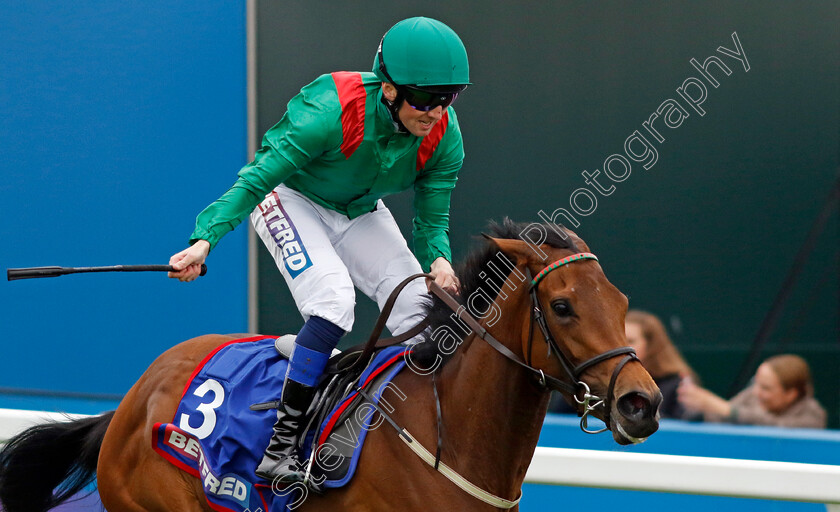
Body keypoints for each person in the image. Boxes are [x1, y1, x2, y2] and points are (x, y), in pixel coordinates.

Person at [167, 17, 470, 483]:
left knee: (422, 311)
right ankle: (281, 445)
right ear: (388, 89)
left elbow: (431, 220)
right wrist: (204, 239)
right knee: (333, 302)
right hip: (290, 198)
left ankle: (393, 427)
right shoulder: (330, 107)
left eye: (449, 97)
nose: (436, 112)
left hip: (361, 211)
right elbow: (259, 177)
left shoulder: (443, 137)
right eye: (426, 98)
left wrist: (440, 261)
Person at [678, 354, 827, 429]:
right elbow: (720, 418)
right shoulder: (751, 395)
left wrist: (729, 410)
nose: (756, 392)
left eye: (766, 388)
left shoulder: (813, 415)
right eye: (756, 384)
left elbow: (776, 427)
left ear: (791, 394)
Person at [624, 310, 698, 419]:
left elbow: (682, 427)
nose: (623, 347)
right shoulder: (607, 380)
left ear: (651, 345)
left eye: (630, 341)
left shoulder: (677, 384)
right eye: (620, 340)